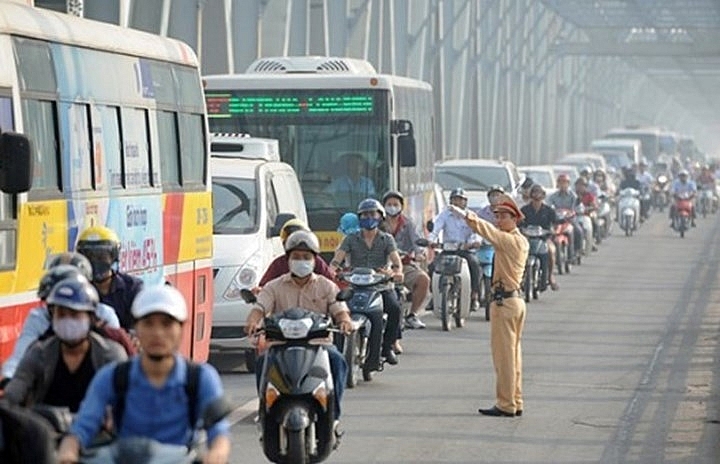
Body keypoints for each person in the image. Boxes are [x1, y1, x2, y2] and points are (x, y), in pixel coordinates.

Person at [57, 285, 231, 464]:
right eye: (148, 323)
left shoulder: (201, 377)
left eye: (166, 324)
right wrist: (69, 448)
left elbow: (219, 431)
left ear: (181, 328)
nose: (157, 333)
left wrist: (217, 452)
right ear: (136, 329)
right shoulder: (113, 376)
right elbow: (85, 424)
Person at [245, 230, 353, 423]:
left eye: (306, 257)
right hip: (280, 345)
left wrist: (344, 321)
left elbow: (339, 310)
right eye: (296, 257)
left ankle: (333, 416)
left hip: (318, 344)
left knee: (337, 361)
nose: (301, 261)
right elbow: (259, 308)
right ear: (288, 260)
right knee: (262, 362)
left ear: (314, 260)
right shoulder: (273, 286)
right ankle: (265, 412)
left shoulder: (326, 286)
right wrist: (253, 321)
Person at [3, 277, 127, 413]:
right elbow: (15, 392)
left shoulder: (110, 355)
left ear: (90, 318)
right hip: (45, 430)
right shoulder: (39, 353)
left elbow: (125, 401)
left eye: (74, 314)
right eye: (61, 315)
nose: (67, 320)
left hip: (98, 430)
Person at [1, 253, 121, 386]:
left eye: (74, 312)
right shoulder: (39, 338)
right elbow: (20, 356)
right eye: (59, 311)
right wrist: (10, 381)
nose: (66, 319)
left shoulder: (106, 322)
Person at [464, 193, 529, 417]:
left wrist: (470, 218)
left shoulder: (510, 240)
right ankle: (515, 399)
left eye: (502, 216)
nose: (498, 221)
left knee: (504, 358)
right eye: (497, 216)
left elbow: (488, 233)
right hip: (514, 301)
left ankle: (506, 403)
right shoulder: (518, 240)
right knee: (513, 356)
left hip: (506, 303)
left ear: (514, 218)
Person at [329, 198, 404, 366]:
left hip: (381, 286)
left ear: (380, 217)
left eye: (372, 214)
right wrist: (332, 270)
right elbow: (337, 259)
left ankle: (386, 347)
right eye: (364, 214)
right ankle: (338, 347)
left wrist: (396, 272)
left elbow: (396, 261)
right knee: (336, 309)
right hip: (355, 287)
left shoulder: (387, 239)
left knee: (394, 307)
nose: (368, 217)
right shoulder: (350, 239)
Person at [76, 226, 143, 330]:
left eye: (101, 257)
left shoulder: (132, 288)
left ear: (113, 257)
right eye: (89, 256)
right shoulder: (78, 289)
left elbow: (140, 327)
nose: (95, 261)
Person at [381, 190, 430, 330]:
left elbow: (417, 241)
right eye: (389, 204)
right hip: (382, 266)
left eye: (395, 204)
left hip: (404, 265)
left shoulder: (408, 224)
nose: (392, 207)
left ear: (401, 206)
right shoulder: (378, 223)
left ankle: (412, 315)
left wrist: (420, 254)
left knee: (423, 279)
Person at [428, 188, 483, 311]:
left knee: (475, 265)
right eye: (454, 199)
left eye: (460, 199)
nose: (457, 202)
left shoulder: (470, 216)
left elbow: (476, 232)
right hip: (448, 250)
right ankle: (435, 296)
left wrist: (472, 243)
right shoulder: (445, 215)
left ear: (465, 202)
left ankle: (474, 296)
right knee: (432, 267)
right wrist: (431, 240)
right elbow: (436, 228)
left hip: (465, 250)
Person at [258, 218, 334, 287]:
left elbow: (332, 284)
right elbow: (264, 287)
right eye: (295, 256)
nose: (301, 259)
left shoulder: (317, 262)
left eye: (306, 257)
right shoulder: (279, 264)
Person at [519, 184, 558, 291]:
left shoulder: (549, 211)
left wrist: (552, 231)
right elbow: (519, 223)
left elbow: (554, 223)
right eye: (534, 193)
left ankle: (550, 276)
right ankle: (519, 277)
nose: (537, 195)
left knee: (551, 251)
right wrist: (521, 230)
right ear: (531, 195)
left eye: (539, 193)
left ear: (543, 195)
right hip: (528, 239)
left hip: (544, 239)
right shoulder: (524, 210)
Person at [547, 174, 581, 261]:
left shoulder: (573, 196)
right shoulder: (553, 196)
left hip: (570, 220)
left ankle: (575, 251)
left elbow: (577, 207)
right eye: (560, 183)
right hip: (557, 220)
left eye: (564, 183)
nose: (562, 185)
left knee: (578, 231)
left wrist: (573, 213)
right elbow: (549, 206)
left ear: (568, 184)